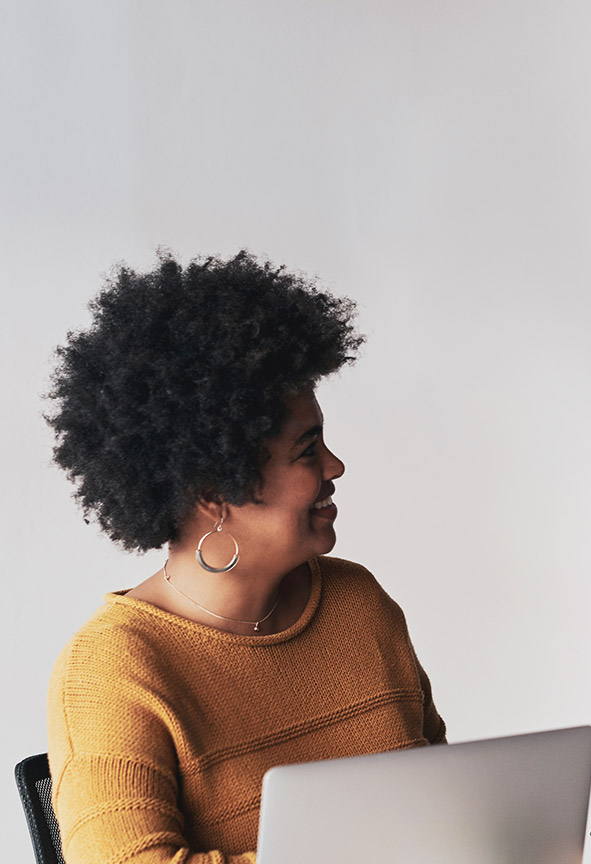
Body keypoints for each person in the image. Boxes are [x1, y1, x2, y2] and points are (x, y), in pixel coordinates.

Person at [45, 252, 446, 864]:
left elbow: (447, 801)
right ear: (214, 492)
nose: (334, 467)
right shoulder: (114, 669)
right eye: (307, 451)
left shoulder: (357, 603)